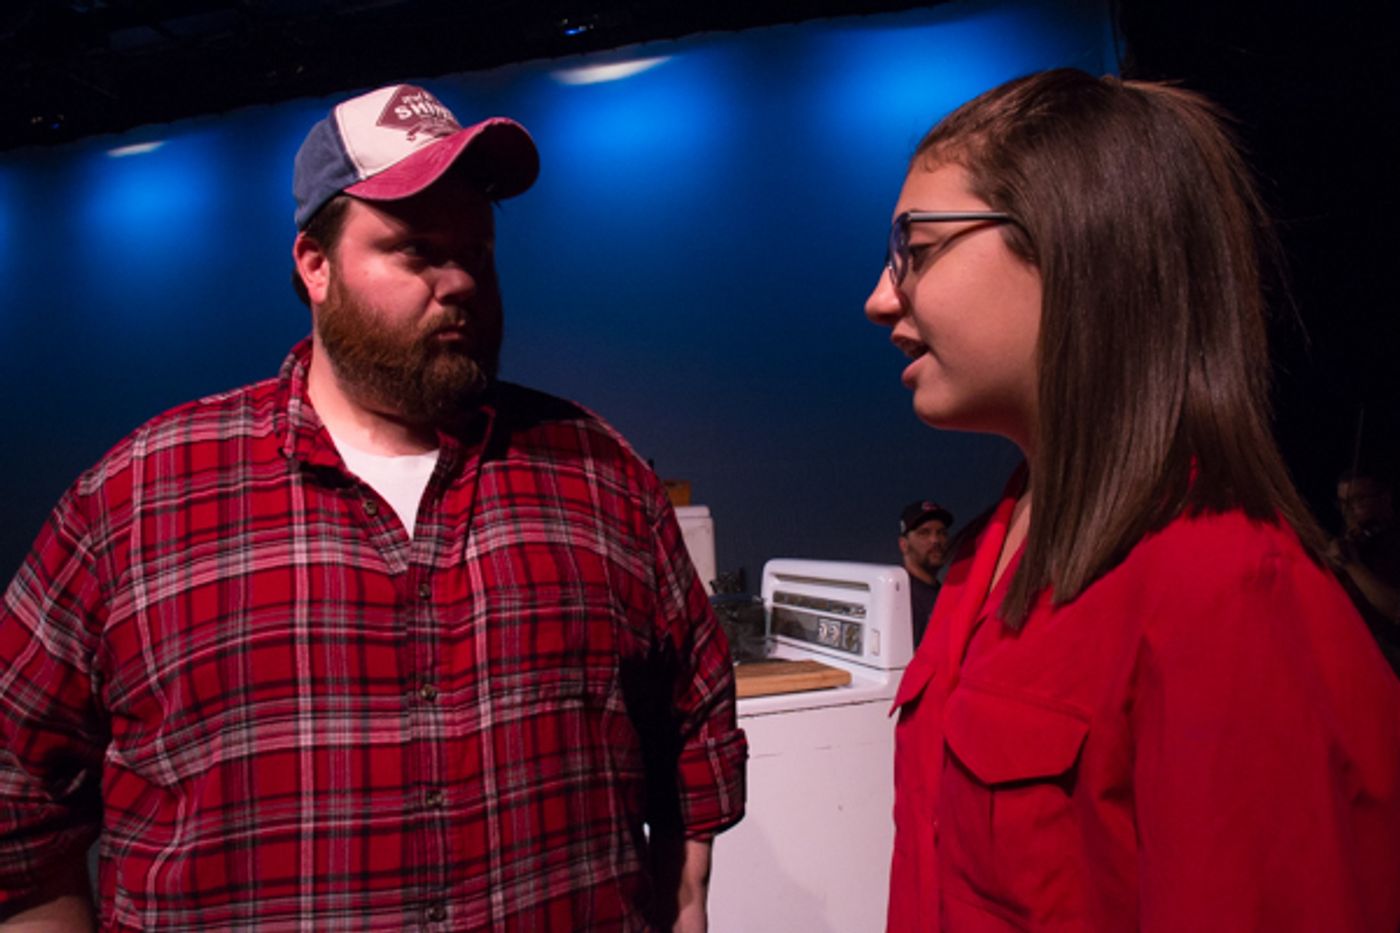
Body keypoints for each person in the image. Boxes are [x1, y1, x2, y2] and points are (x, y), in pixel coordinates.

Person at [0, 83, 746, 930]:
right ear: (314, 267)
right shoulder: (140, 499)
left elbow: (695, 734)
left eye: (479, 250)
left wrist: (686, 902)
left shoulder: (601, 479)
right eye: (417, 249)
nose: (461, 279)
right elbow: (17, 796)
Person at [863, 68, 1400, 931]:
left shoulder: (1224, 591)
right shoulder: (980, 559)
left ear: (1074, 244)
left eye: (916, 251)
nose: (881, 296)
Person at [1329, 467, 1400, 675]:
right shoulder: (1355, 543)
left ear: (1385, 499)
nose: (1348, 512)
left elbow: (1397, 611)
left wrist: (1352, 566)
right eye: (1343, 504)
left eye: (1358, 501)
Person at [898, 500, 953, 645]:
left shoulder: (945, 593)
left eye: (941, 533)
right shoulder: (900, 596)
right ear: (904, 545)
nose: (935, 540)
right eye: (924, 533)